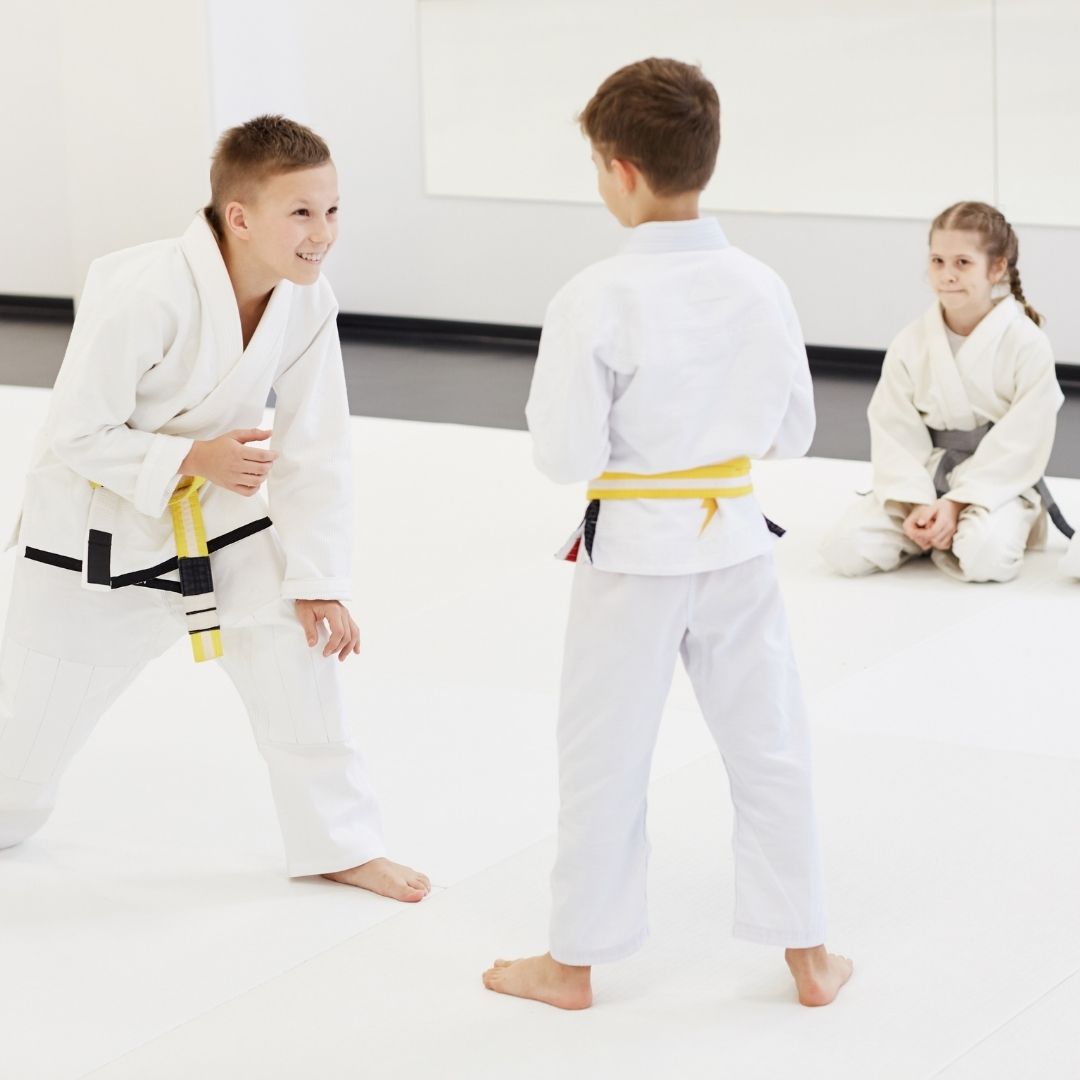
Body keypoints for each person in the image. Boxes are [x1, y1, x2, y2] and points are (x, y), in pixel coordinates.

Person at [482, 59, 851, 1010]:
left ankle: (573, 964)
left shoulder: (595, 297)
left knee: (604, 751)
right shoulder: (760, 285)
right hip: (733, 538)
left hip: (636, 553)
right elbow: (795, 434)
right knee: (769, 741)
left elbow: (563, 454)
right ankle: (808, 953)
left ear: (622, 170)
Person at [0, 115, 429, 902]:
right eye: (300, 213)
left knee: (295, 648)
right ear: (239, 216)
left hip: (220, 519)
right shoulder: (145, 293)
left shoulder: (307, 301)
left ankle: (339, 840)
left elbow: (316, 446)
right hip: (96, 541)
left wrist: (317, 578)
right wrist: (192, 457)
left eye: (332, 210)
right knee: (16, 777)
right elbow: (74, 431)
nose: (322, 234)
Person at [821, 201, 1068, 582]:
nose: (947, 275)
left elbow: (1023, 440)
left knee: (986, 557)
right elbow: (894, 427)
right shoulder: (912, 342)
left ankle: (950, 528)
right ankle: (928, 528)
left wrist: (956, 504)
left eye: (962, 263)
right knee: (844, 548)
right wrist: (918, 501)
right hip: (922, 476)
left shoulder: (1026, 343)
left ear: (997, 267)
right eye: (938, 261)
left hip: (992, 484)